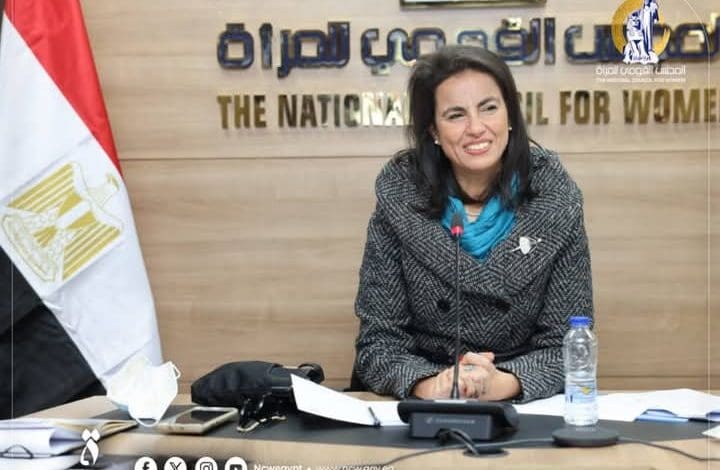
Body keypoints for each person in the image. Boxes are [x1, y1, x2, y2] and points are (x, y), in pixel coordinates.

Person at [352, 45, 593, 403]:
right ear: (433, 130)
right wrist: (432, 385)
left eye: (489, 108)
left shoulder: (555, 197)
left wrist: (501, 384)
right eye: (455, 115)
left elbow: (568, 343)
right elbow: (379, 343)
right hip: (423, 396)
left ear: (510, 114)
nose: (476, 128)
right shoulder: (400, 197)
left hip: (517, 397)